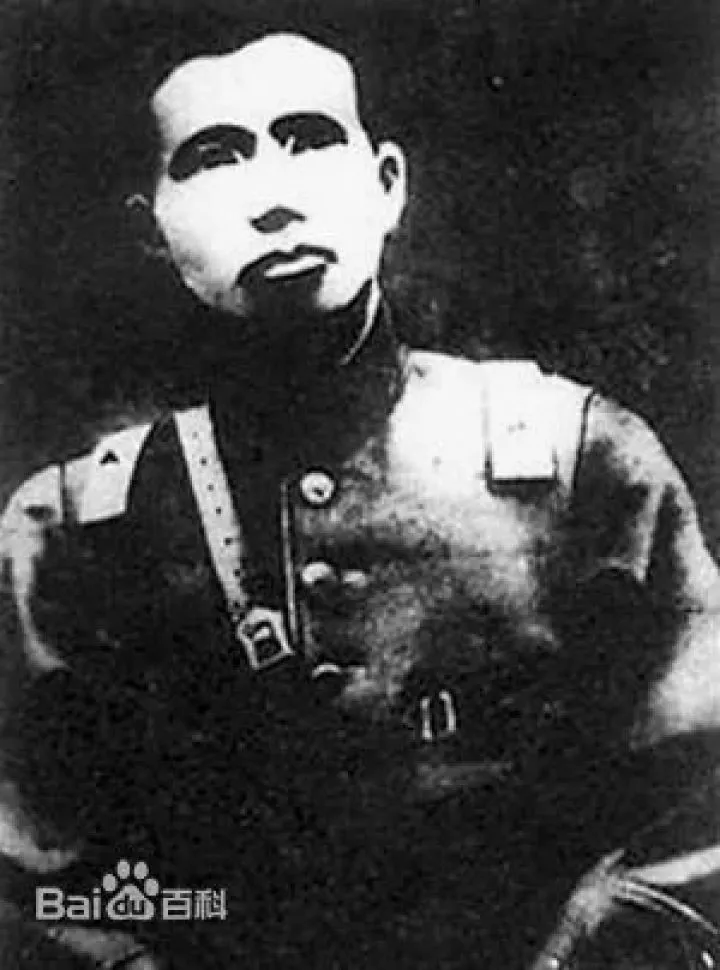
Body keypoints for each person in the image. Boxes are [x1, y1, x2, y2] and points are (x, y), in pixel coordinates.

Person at [1, 28, 720, 970]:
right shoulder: (74, 526)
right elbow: (30, 866)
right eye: (214, 158)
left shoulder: (581, 461)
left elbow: (700, 802)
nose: (273, 196)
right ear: (151, 229)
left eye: (309, 139)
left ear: (388, 186)